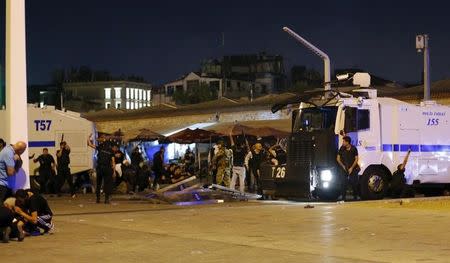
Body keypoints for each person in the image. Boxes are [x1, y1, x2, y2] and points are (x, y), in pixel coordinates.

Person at [88, 139, 115, 204]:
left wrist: (88, 138)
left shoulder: (100, 147)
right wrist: (113, 172)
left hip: (100, 168)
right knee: (107, 184)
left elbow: (90, 145)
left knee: (98, 184)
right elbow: (113, 162)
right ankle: (106, 200)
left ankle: (98, 199)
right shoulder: (111, 151)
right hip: (107, 168)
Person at [336, 136, 360, 201]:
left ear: (347, 142)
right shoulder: (342, 148)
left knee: (354, 182)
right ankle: (343, 196)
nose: (342, 143)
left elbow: (356, 159)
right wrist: (343, 166)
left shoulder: (354, 149)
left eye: (343, 141)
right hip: (344, 168)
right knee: (343, 182)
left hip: (353, 168)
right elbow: (338, 159)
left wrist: (352, 168)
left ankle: (355, 196)